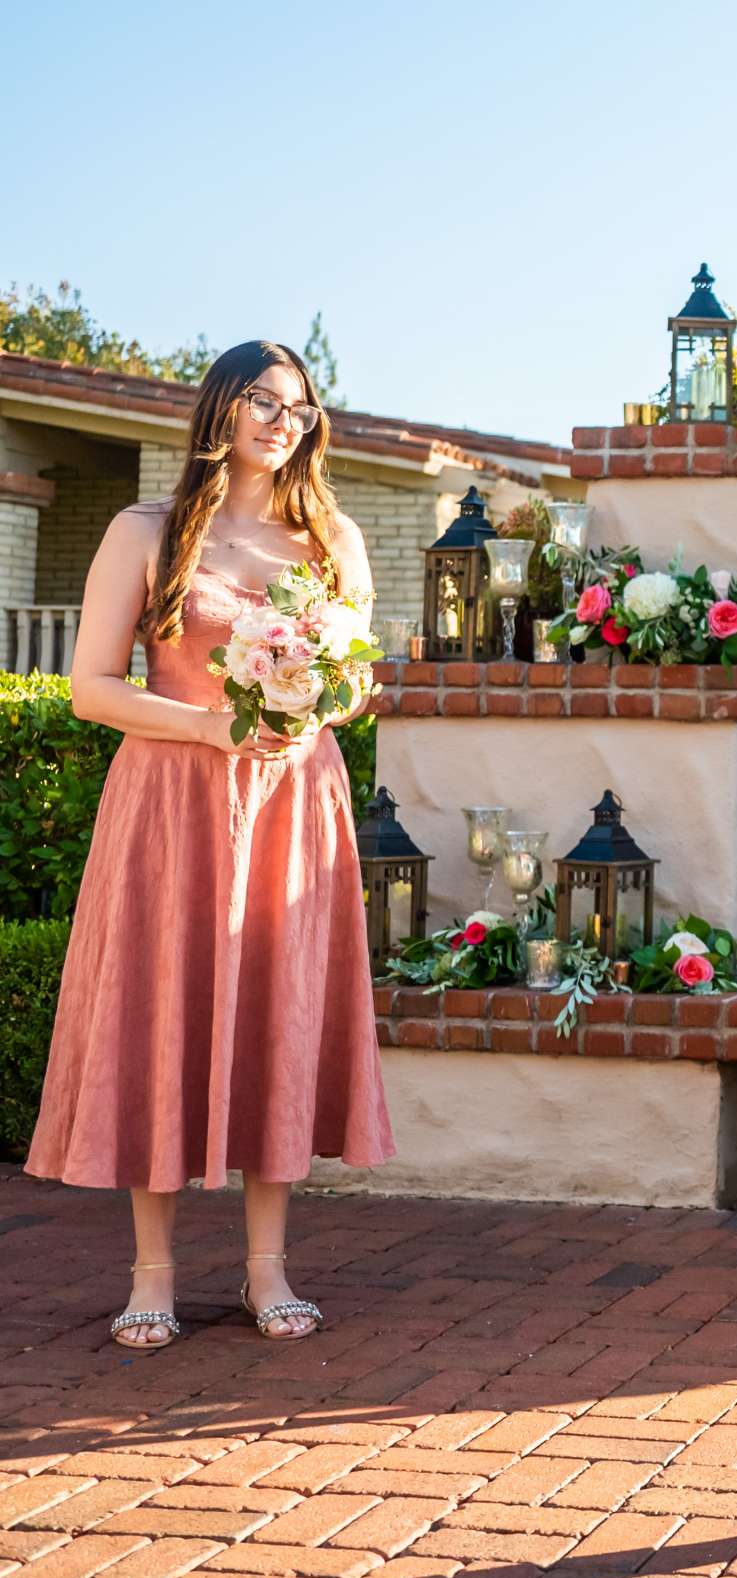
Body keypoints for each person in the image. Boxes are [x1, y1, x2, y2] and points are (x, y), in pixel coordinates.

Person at [26, 341, 392, 1349]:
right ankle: (152, 1274)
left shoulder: (331, 537)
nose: (287, 421)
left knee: (279, 1012)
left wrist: (322, 694)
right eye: (266, 402)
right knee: (161, 1012)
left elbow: (359, 681)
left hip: (291, 805)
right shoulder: (144, 530)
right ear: (222, 407)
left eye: (303, 407)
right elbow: (90, 687)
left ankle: (268, 1270)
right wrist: (211, 728)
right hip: (170, 801)